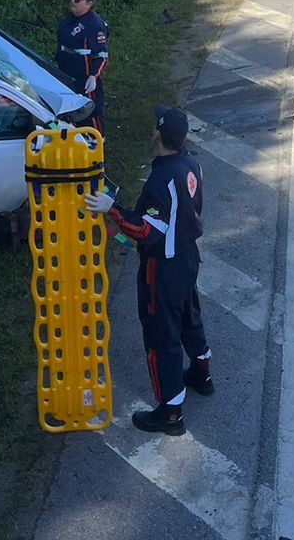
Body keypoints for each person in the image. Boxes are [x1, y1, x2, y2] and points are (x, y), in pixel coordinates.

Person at [84, 105, 211, 436]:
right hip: (188, 257)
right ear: (181, 138)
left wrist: (112, 209)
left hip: (163, 269)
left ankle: (170, 414)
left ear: (158, 134)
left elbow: (146, 231)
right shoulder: (191, 164)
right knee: (189, 318)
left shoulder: (159, 180)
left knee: (161, 337)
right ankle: (202, 372)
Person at [58, 0, 110, 133]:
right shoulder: (71, 18)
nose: (72, 1)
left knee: (92, 111)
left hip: (86, 78)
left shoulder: (94, 24)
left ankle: (98, 142)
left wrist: (93, 76)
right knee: (73, 110)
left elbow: (102, 56)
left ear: (89, 3)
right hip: (68, 74)